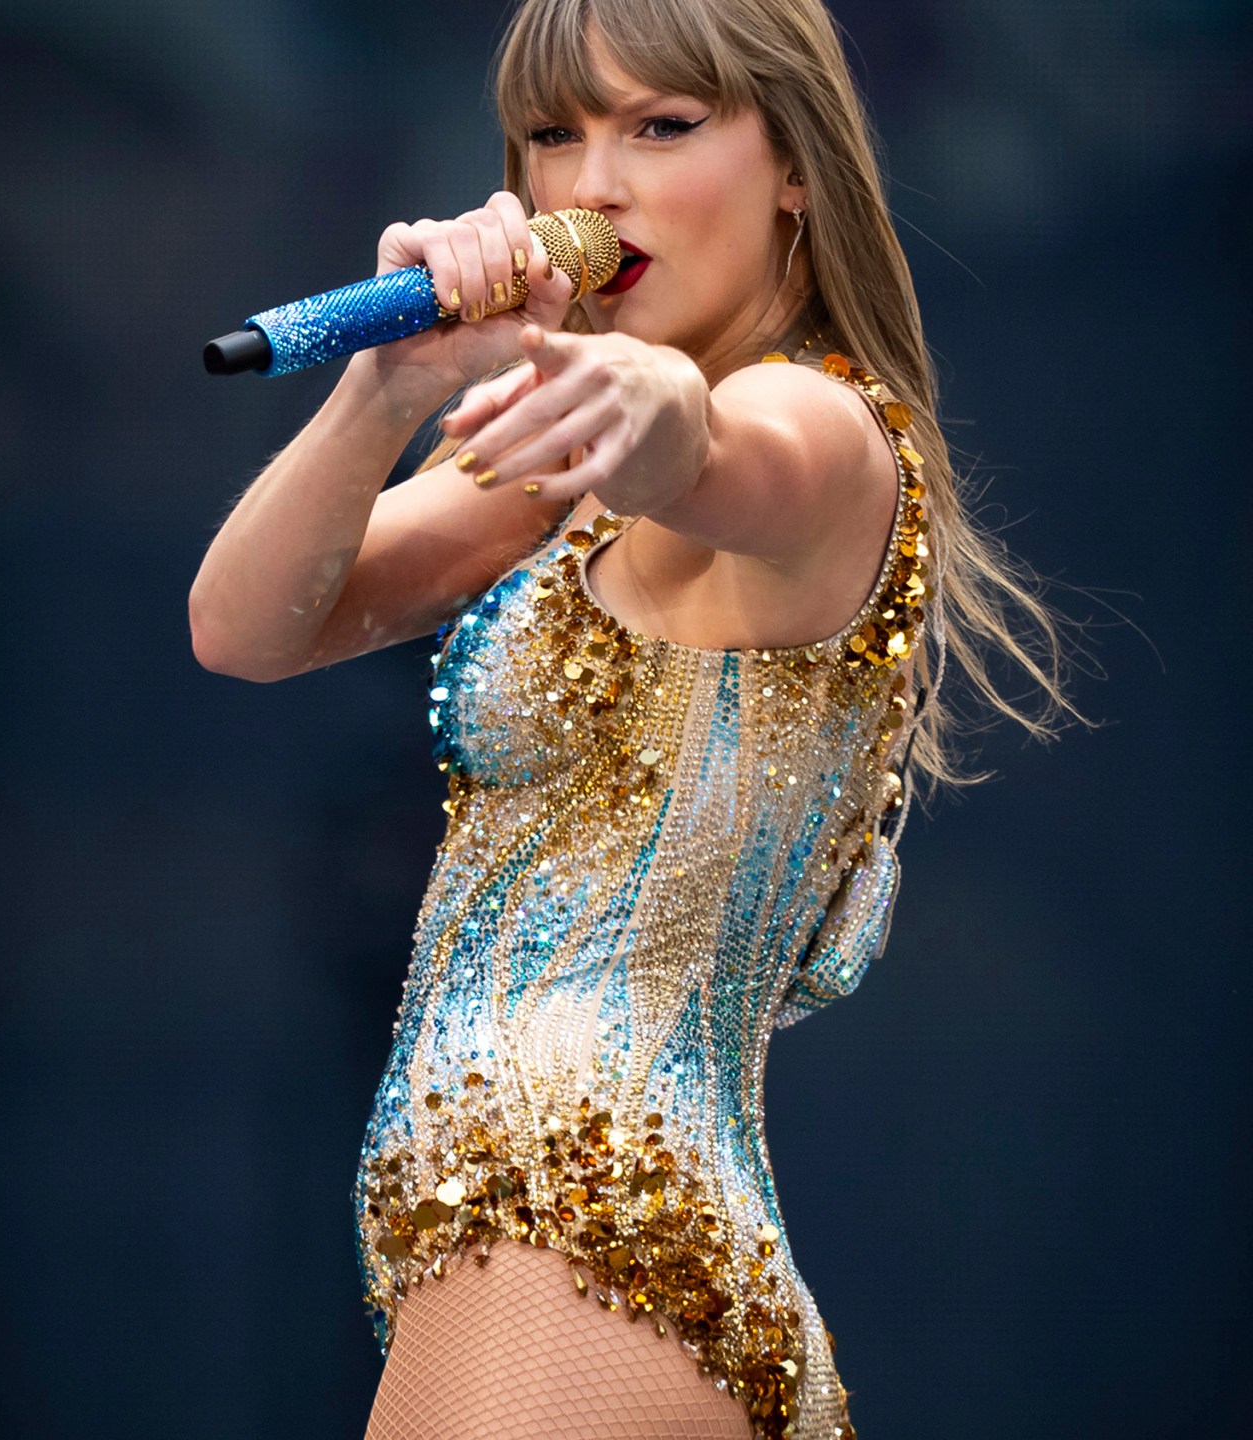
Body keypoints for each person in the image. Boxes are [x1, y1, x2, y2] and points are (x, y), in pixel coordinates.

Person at [188, 0, 1068, 1436]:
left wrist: (652, 400)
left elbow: (711, 448)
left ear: (797, 167)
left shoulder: (829, 436)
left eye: (661, 128)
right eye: (555, 136)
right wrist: (389, 384)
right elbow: (243, 628)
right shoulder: (553, 470)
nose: (593, 185)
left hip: (590, 1229)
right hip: (513, 1236)